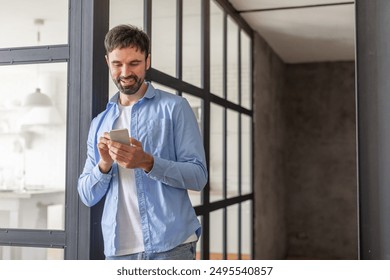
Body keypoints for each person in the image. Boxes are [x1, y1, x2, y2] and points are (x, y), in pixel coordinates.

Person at [77, 24, 208, 260]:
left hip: (171, 246)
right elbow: (87, 195)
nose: (125, 72)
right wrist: (104, 165)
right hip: (118, 252)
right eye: (117, 64)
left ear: (147, 61)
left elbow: (198, 176)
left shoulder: (175, 108)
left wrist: (148, 162)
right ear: (108, 62)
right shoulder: (99, 123)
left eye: (134, 63)